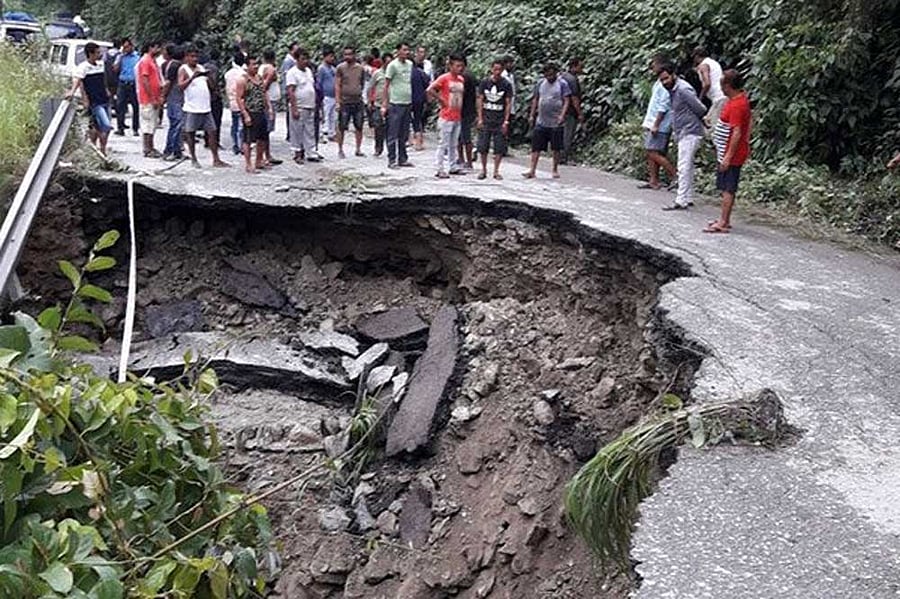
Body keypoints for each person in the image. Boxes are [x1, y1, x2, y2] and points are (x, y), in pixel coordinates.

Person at [706, 69, 752, 233]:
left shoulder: (738, 105)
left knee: (728, 187)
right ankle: (723, 218)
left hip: (731, 154)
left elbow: (737, 132)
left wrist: (728, 156)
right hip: (725, 151)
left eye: (722, 84)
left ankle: (724, 222)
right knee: (725, 185)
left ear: (727, 85)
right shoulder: (735, 100)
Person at [658, 63, 707, 211]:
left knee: (683, 166)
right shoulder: (673, 90)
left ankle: (681, 200)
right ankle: (688, 197)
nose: (664, 82)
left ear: (673, 74)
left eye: (666, 78)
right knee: (688, 165)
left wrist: (699, 120)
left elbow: (700, 108)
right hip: (684, 131)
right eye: (662, 80)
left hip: (690, 131)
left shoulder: (683, 89)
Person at [178, 45, 228, 168]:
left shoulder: (201, 67)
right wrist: (193, 77)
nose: (195, 59)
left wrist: (209, 76)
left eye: (196, 56)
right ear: (186, 58)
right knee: (191, 133)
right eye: (192, 56)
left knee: (212, 132)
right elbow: (180, 86)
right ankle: (194, 159)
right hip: (192, 107)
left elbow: (211, 86)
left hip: (205, 107)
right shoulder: (183, 69)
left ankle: (216, 159)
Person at [523, 63, 570, 179]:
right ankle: (532, 170)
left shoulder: (562, 84)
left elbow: (566, 100)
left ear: (555, 74)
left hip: (556, 121)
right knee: (536, 146)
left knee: (556, 147)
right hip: (541, 120)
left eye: (551, 75)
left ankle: (554, 169)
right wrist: (532, 115)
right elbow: (536, 99)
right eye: (547, 75)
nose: (549, 77)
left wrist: (562, 115)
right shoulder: (540, 83)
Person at [65, 41, 112, 156]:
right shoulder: (83, 67)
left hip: (104, 99)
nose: (100, 54)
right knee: (105, 126)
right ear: (90, 54)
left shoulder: (100, 65)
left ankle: (101, 150)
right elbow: (78, 81)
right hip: (94, 101)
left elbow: (103, 79)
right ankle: (97, 148)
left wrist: (106, 89)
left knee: (97, 126)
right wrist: (74, 92)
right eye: (97, 52)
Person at [640, 54, 676, 190]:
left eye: (654, 64)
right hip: (653, 121)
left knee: (653, 152)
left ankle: (675, 175)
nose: (652, 67)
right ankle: (653, 180)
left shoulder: (665, 84)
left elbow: (663, 106)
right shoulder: (658, 82)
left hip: (660, 124)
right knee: (652, 151)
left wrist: (656, 124)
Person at [427, 53, 466, 178]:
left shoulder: (461, 79)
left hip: (457, 115)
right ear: (451, 66)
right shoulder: (444, 78)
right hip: (446, 115)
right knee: (443, 143)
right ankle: (439, 168)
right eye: (457, 66)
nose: (460, 68)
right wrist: (441, 99)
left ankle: (453, 165)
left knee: (454, 143)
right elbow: (430, 89)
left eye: (461, 66)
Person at [476, 59, 513, 180]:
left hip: (499, 120)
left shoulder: (506, 84)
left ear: (502, 70)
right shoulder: (485, 83)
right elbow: (480, 100)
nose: (497, 72)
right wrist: (480, 118)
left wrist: (506, 121)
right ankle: (483, 169)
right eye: (495, 69)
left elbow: (508, 103)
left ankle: (496, 171)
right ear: (491, 69)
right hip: (486, 119)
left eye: (499, 70)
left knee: (499, 147)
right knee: (483, 146)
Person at [236, 55, 272, 174]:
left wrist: (269, 107)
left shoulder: (259, 78)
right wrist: (245, 114)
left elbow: (264, 92)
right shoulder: (243, 80)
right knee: (248, 139)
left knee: (262, 138)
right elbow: (239, 98)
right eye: (253, 64)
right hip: (250, 111)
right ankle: (248, 164)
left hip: (260, 111)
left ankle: (258, 161)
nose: (256, 66)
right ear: (247, 66)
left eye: (257, 64)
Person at [286, 47, 322, 163]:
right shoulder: (292, 72)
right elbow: (291, 91)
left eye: (307, 59)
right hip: (299, 105)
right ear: (297, 59)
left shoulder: (308, 71)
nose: (305, 61)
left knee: (310, 130)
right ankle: (297, 153)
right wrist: (294, 108)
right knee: (297, 130)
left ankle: (311, 152)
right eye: (303, 59)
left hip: (310, 105)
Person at [382, 42, 414, 168]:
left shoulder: (410, 65)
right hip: (395, 103)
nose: (407, 52)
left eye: (408, 50)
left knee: (404, 133)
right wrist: (385, 103)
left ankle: (403, 158)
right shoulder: (392, 66)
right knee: (393, 133)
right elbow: (386, 85)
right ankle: (392, 160)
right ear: (398, 51)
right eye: (404, 50)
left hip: (407, 102)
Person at [334, 46, 367, 158]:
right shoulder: (340, 68)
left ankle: (358, 149)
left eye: (349, 54)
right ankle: (340, 149)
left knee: (359, 125)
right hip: (345, 101)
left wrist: (358, 91)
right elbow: (337, 85)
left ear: (354, 55)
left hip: (357, 101)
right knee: (342, 126)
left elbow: (362, 82)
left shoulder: (360, 68)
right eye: (345, 54)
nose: (347, 57)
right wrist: (338, 101)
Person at [136, 40, 163, 158]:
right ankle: (147, 148)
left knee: (152, 124)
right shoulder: (146, 61)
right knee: (148, 124)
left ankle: (150, 147)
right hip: (147, 98)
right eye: (157, 47)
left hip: (153, 97)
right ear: (150, 48)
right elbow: (145, 80)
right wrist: (152, 98)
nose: (159, 50)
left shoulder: (152, 61)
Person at [692, 46, 726, 130]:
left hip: (718, 98)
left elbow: (707, 83)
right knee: (710, 121)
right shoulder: (713, 63)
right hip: (723, 95)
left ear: (696, 56)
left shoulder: (703, 66)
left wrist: (700, 98)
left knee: (712, 126)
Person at [162, 44, 185, 161]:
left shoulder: (168, 64)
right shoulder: (176, 65)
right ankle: (170, 150)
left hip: (173, 98)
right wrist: (163, 96)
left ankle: (176, 150)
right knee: (176, 124)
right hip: (175, 98)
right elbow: (169, 83)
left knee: (176, 124)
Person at [560, 58, 585, 164]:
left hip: (561, 109)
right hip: (570, 111)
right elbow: (574, 98)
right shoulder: (572, 80)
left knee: (562, 133)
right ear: (574, 66)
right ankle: (563, 157)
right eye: (580, 66)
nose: (581, 69)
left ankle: (559, 155)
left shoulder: (563, 76)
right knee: (568, 134)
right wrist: (579, 113)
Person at [113, 37, 140, 136]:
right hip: (123, 83)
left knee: (135, 106)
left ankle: (135, 128)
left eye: (128, 47)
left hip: (134, 83)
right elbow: (115, 69)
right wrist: (120, 56)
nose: (126, 49)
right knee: (120, 106)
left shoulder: (137, 57)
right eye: (124, 47)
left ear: (132, 46)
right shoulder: (120, 57)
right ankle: (120, 128)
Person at [368, 52, 392, 157]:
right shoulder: (377, 73)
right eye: (387, 62)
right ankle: (378, 148)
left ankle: (391, 149)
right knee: (378, 126)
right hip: (378, 103)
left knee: (391, 128)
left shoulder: (394, 73)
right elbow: (370, 87)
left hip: (392, 103)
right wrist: (370, 101)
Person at [260, 49, 281, 165]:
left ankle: (265, 154)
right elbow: (264, 86)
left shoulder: (262, 67)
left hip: (269, 100)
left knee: (266, 129)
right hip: (269, 101)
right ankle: (266, 155)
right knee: (266, 129)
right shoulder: (270, 69)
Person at [457, 57, 477, 171]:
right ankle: (461, 158)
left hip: (466, 111)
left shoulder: (465, 77)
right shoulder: (464, 76)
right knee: (459, 136)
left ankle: (468, 161)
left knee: (465, 136)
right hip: (462, 110)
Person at [225, 53, 246, 155]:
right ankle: (240, 145)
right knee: (241, 126)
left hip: (232, 101)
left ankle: (235, 144)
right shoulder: (243, 74)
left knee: (234, 124)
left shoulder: (228, 74)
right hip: (241, 102)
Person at [203, 49, 224, 150]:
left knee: (207, 119)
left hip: (205, 97)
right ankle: (215, 142)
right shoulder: (215, 67)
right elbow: (213, 82)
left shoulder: (204, 65)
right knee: (216, 120)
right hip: (214, 97)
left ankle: (207, 140)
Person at [317, 48, 337, 141]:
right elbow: (319, 83)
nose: (332, 58)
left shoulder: (333, 69)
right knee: (325, 115)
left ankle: (331, 133)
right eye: (330, 56)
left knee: (333, 116)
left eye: (333, 56)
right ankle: (322, 133)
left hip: (334, 95)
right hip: (326, 95)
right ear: (325, 57)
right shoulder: (321, 68)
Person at [410, 61, 430, 151]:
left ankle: (411, 140)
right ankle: (419, 142)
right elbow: (427, 84)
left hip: (408, 99)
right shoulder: (421, 73)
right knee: (418, 120)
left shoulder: (406, 73)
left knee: (408, 120)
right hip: (420, 99)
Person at [281, 42, 299, 140]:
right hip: (289, 89)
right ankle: (290, 133)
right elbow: (286, 76)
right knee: (290, 111)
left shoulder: (293, 60)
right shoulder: (288, 61)